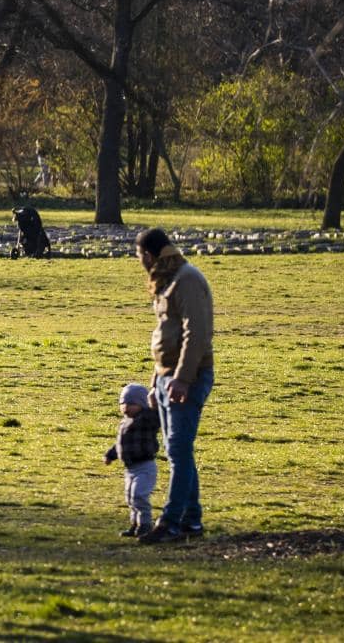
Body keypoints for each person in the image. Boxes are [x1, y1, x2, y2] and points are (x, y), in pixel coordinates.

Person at [136, 227, 214, 545]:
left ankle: (170, 522)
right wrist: (157, 380)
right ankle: (191, 521)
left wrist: (182, 379)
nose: (139, 261)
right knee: (176, 450)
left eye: (139, 255)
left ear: (150, 255)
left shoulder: (187, 280)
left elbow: (196, 333)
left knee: (179, 451)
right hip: (168, 376)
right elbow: (165, 335)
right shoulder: (167, 281)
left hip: (188, 378)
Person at [105, 382, 162, 538]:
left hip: (145, 467)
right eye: (122, 403)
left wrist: (154, 404)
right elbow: (120, 443)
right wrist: (111, 455)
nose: (126, 407)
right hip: (130, 469)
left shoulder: (146, 419)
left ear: (142, 404)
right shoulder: (124, 423)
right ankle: (135, 524)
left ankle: (145, 524)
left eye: (131, 404)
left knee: (139, 495)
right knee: (130, 498)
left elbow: (157, 417)